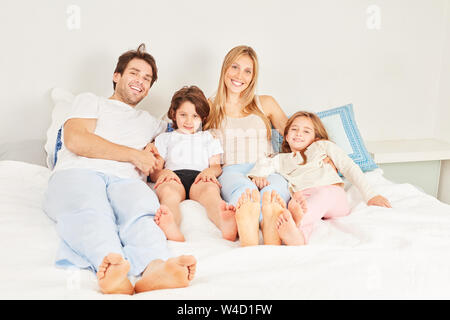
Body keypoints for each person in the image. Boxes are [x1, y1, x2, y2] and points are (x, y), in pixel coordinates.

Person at [43, 44, 196, 295]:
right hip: (79, 171)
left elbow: (183, 134)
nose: (140, 81)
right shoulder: (90, 101)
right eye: (134, 73)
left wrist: (157, 166)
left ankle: (154, 268)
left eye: (147, 79)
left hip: (126, 180)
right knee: (90, 210)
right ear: (117, 76)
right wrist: (135, 155)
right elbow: (77, 140)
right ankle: (111, 265)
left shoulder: (150, 123)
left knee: (142, 213)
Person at [247, 111, 392, 246]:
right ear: (285, 135)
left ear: (315, 137)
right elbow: (263, 166)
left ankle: (297, 220)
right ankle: (298, 236)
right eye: (294, 129)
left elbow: (349, 167)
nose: (299, 134)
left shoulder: (322, 146)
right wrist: (258, 176)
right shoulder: (281, 159)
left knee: (320, 197)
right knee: (298, 205)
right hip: (304, 196)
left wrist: (371, 195)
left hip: (332, 194)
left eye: (306, 131)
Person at [204, 45, 291, 247]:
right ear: (225, 69)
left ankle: (267, 224)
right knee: (245, 192)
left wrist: (322, 152)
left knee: (273, 192)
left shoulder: (265, 103)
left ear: (253, 77)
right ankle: (253, 225)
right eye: (234, 67)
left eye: (247, 71)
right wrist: (152, 146)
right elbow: (178, 122)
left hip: (266, 167)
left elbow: (294, 134)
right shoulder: (208, 105)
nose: (239, 75)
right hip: (232, 169)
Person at [150, 85, 237, 242]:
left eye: (195, 116)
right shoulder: (164, 138)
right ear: (174, 115)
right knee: (169, 194)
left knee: (210, 193)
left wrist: (210, 172)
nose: (189, 121)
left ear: (202, 118)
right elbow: (154, 171)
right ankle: (171, 226)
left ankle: (224, 222)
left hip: (200, 176)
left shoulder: (208, 137)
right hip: (174, 176)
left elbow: (216, 166)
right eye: (183, 115)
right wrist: (163, 173)